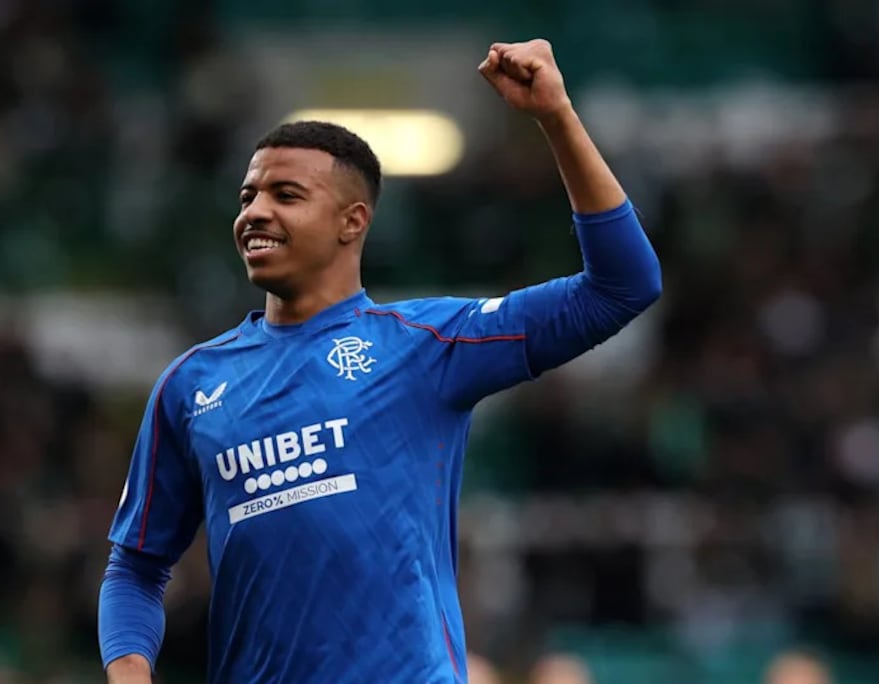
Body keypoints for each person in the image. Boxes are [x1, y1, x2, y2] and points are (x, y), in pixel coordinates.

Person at [97, 38, 662, 683]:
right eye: (248, 195)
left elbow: (622, 286)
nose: (255, 212)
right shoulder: (192, 385)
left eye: (286, 195)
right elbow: (136, 567)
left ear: (353, 221)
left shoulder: (426, 344)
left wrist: (556, 116)